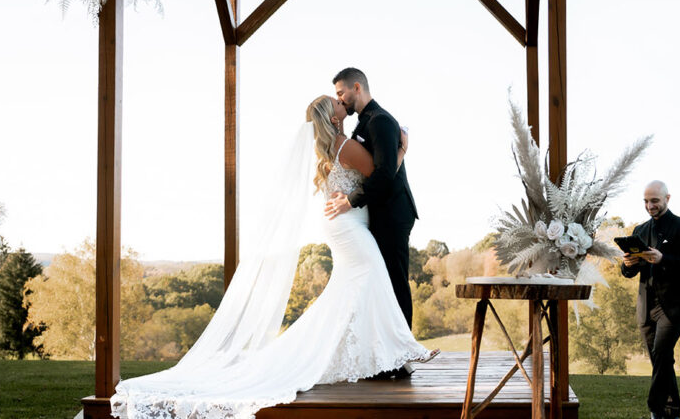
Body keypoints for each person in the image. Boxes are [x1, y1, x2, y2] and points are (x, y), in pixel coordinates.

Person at [111, 95, 437, 419]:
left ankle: (375, 354)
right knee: (374, 274)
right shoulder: (344, 145)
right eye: (336, 103)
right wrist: (403, 149)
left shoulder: (326, 148)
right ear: (334, 118)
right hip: (349, 226)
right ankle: (398, 351)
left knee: (351, 288)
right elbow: (382, 173)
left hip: (338, 225)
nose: (341, 104)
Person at [325, 68, 418, 335]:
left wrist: (350, 201)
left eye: (341, 93)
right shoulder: (364, 121)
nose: (340, 99)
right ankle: (386, 350)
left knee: (395, 282)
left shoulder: (380, 120)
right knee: (382, 282)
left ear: (357, 87)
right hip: (380, 212)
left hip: (393, 212)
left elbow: (386, 174)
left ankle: (401, 357)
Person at [620, 181, 680, 419]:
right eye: (646, 201)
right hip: (646, 305)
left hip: (674, 305)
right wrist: (626, 265)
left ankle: (655, 408)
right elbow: (629, 273)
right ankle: (671, 411)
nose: (649, 205)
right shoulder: (640, 230)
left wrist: (663, 258)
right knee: (660, 360)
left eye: (654, 200)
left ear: (667, 198)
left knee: (662, 353)